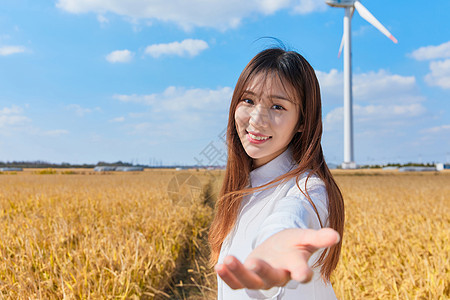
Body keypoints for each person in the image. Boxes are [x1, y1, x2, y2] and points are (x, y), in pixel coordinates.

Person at [208, 47, 345, 299]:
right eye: (248, 100)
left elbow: (292, 215)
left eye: (277, 107)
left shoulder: (308, 189)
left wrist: (278, 244)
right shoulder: (242, 187)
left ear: (303, 122)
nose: (257, 119)